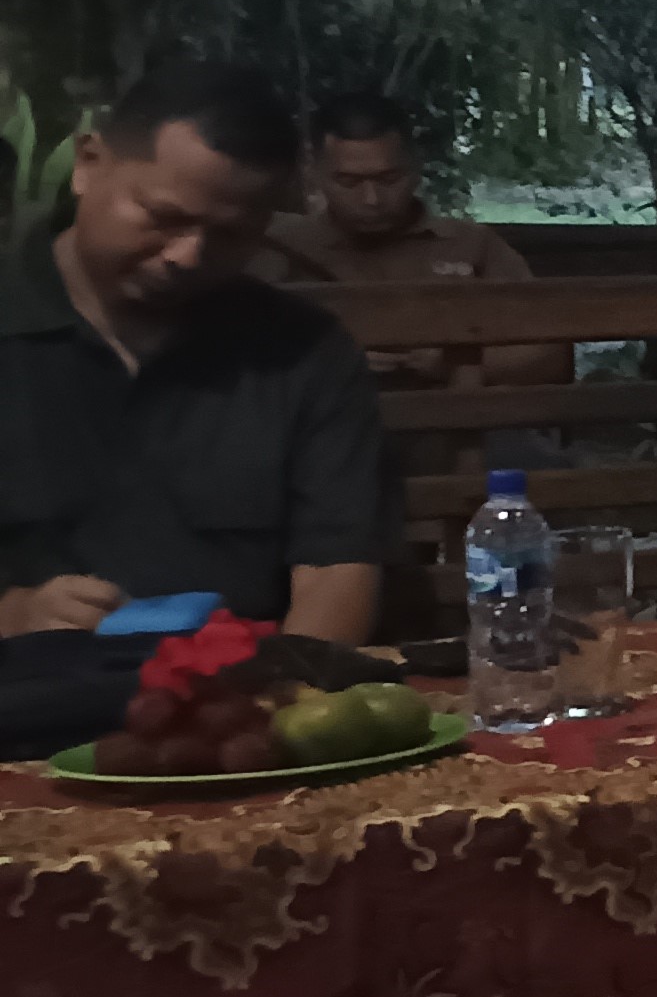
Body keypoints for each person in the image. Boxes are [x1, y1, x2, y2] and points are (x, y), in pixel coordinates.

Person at [0, 63, 387, 644]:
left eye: (229, 236)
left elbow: (337, 570)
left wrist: (287, 705)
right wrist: (15, 615)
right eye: (164, 217)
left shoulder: (301, 352)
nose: (186, 255)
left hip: (237, 703)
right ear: (88, 163)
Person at [259, 93, 570, 387]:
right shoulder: (278, 247)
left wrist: (456, 367)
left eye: (389, 179)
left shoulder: (469, 245)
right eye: (348, 182)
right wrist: (333, 363)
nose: (371, 200)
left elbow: (551, 354)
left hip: (454, 428)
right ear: (314, 173)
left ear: (415, 170)